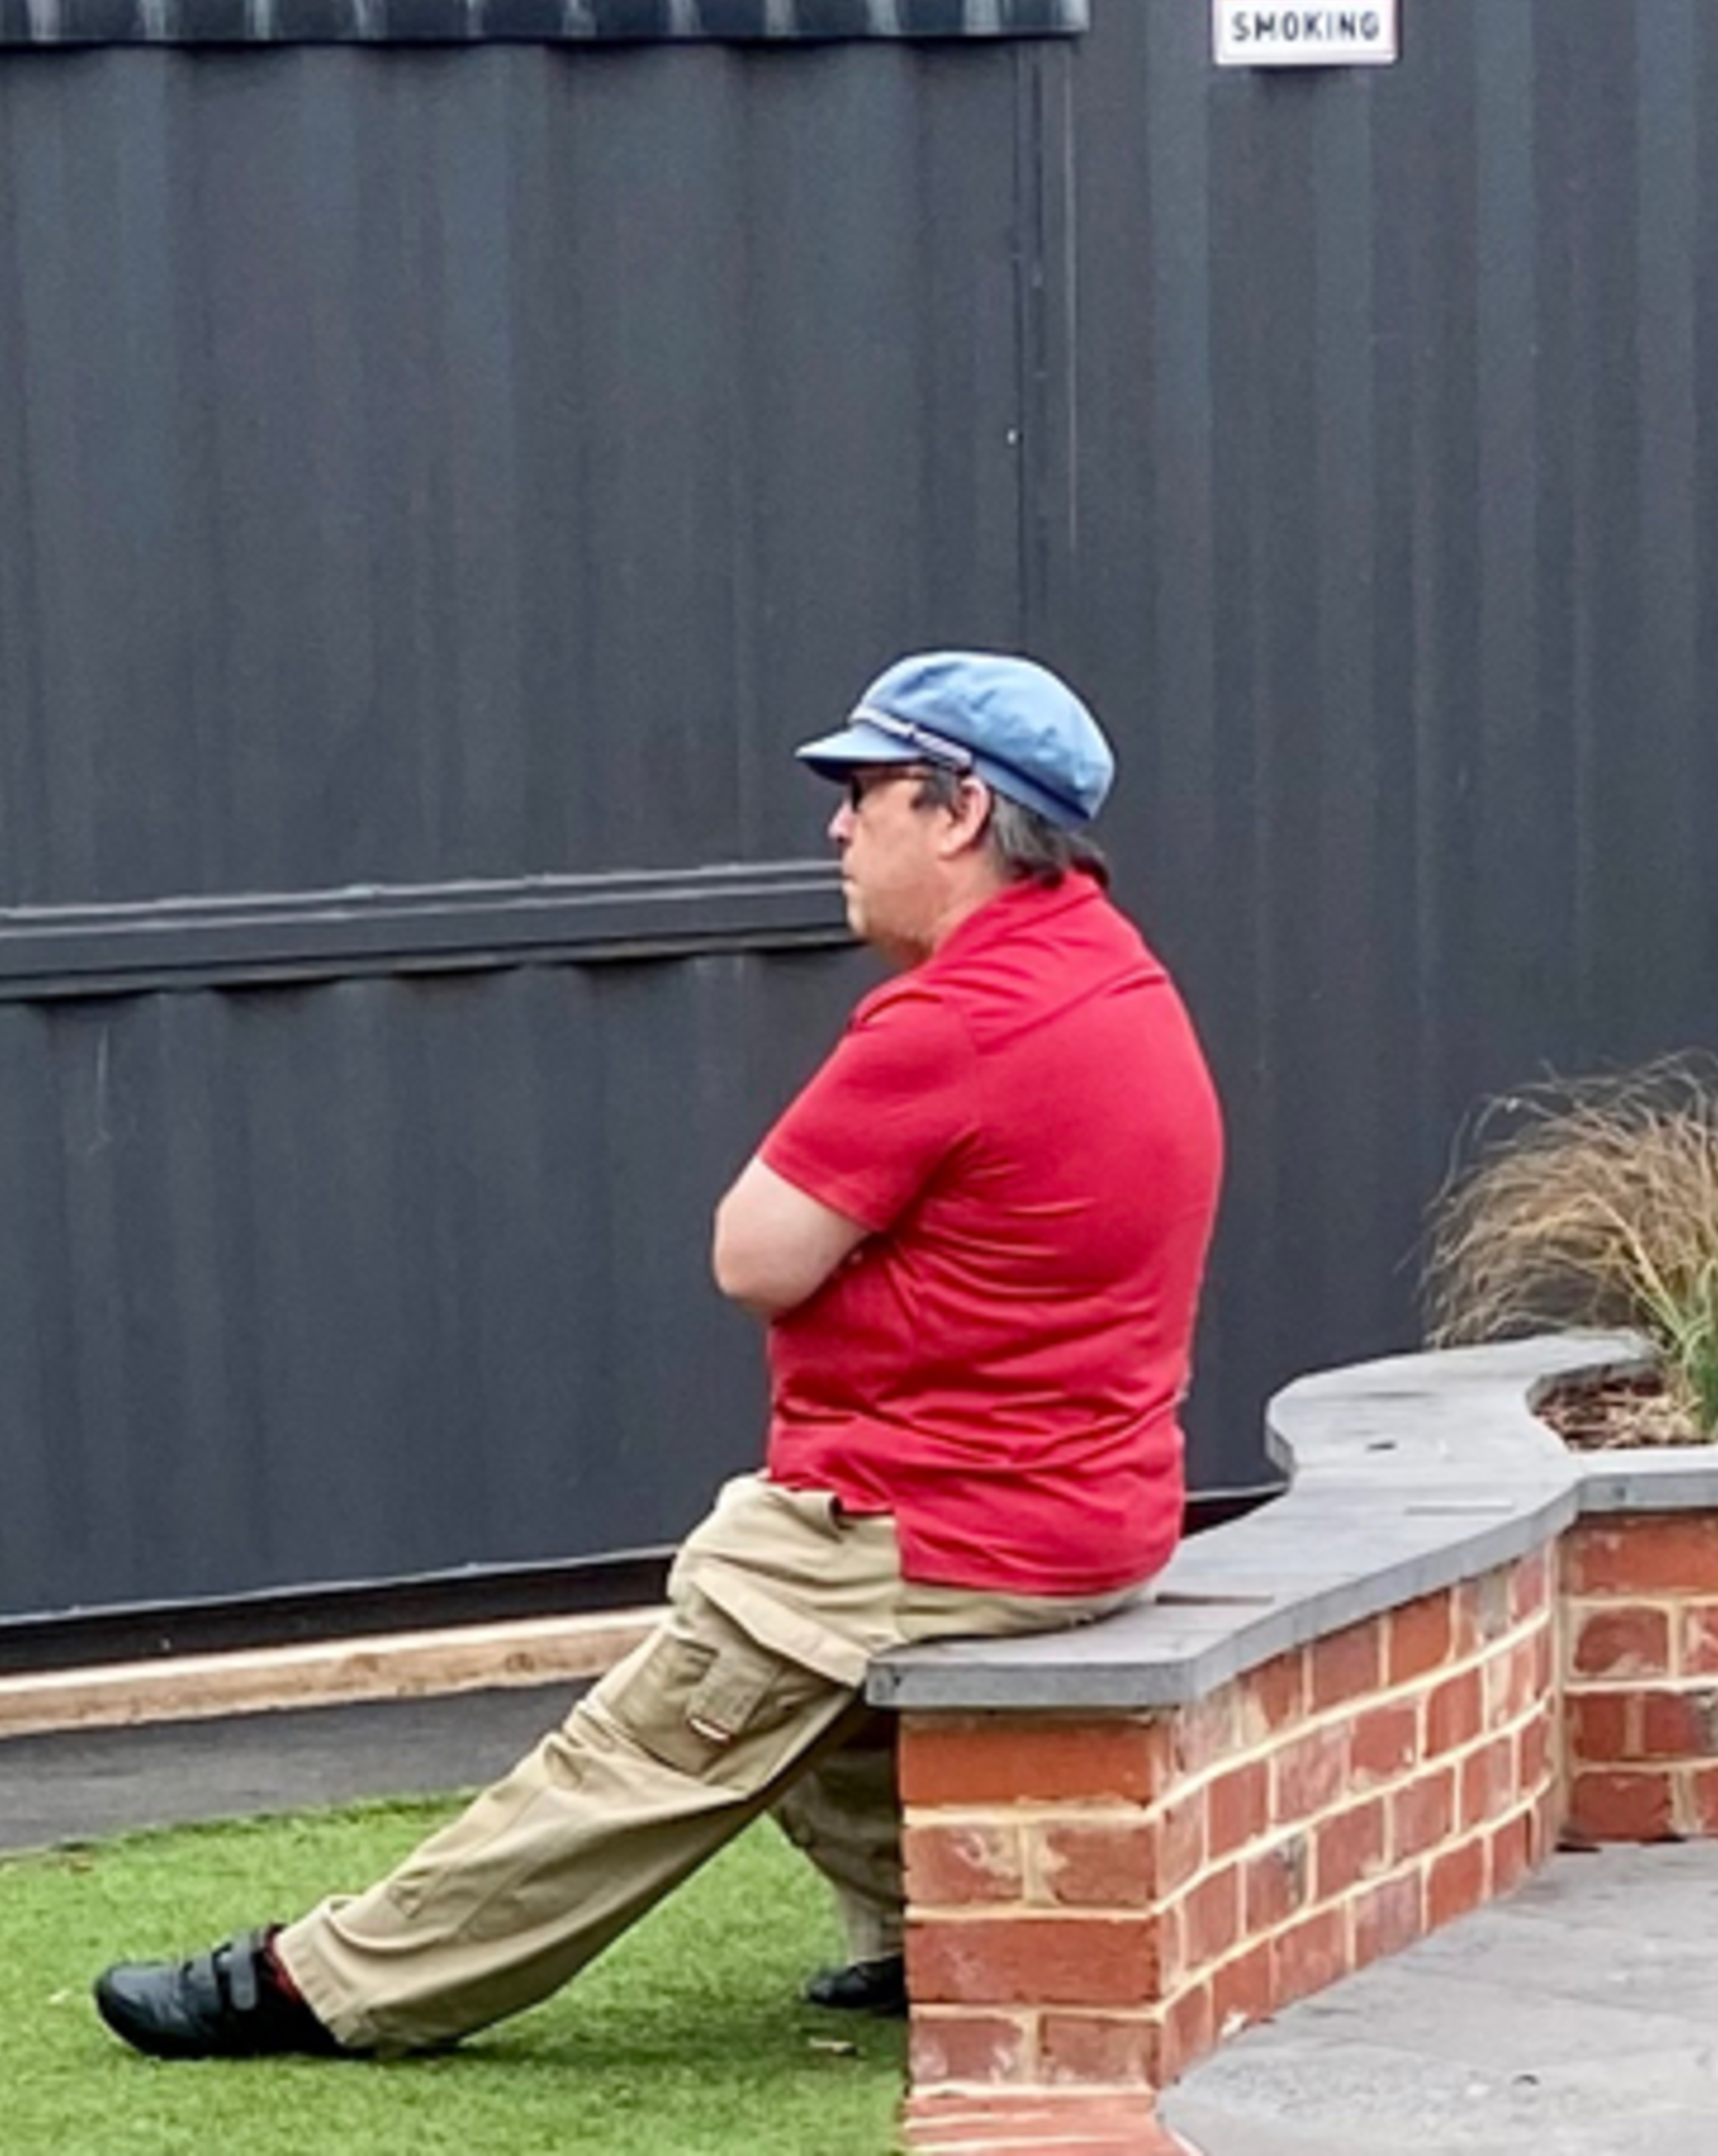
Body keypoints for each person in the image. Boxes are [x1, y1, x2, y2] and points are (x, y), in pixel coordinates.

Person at [92, 648, 1225, 2060]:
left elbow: (754, 1254)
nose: (836, 827)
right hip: (1092, 1511)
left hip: (936, 1520)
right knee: (775, 1590)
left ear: (960, 810)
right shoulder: (1116, 974)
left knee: (669, 1720)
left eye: (864, 790)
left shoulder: (954, 1021)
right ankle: (927, 1929)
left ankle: (330, 1984)